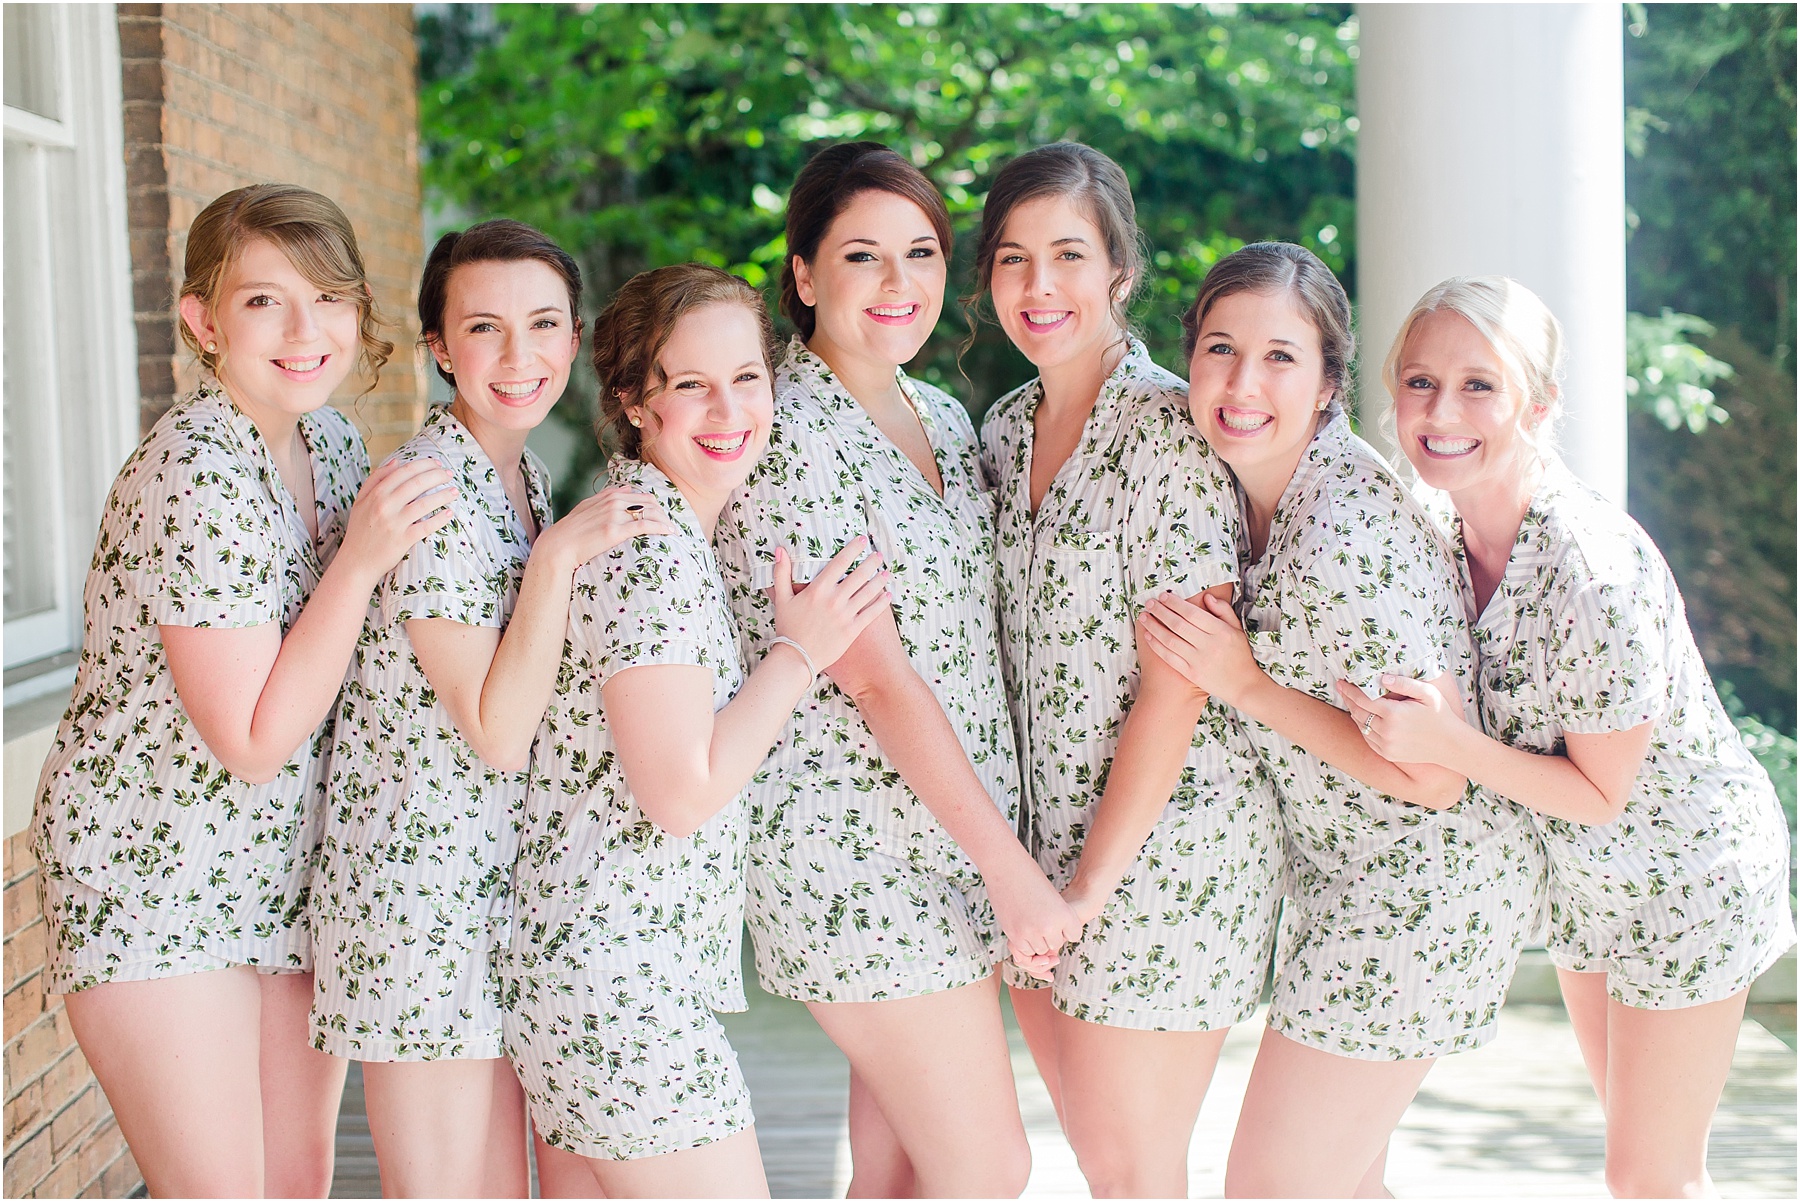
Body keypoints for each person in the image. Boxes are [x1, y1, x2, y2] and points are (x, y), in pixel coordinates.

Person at [29, 183, 457, 1196]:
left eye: (331, 298)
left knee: (294, 1178)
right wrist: (358, 562)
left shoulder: (331, 444)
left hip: (284, 873)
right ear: (203, 321)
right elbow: (253, 738)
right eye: (267, 301)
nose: (307, 331)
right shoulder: (198, 472)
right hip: (157, 875)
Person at [1337, 275, 1795, 1198]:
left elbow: (1601, 793)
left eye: (1479, 385)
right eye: (1419, 382)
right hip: (1588, 887)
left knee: (1651, 1178)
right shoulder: (1435, 527)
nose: (1441, 409)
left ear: (1538, 404)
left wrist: (1446, 742)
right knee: (1647, 1164)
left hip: (1688, 876)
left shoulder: (1593, 569)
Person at [1136, 242, 1545, 1197]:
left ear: (1329, 382)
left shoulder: (1342, 533)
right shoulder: (1270, 487)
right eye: (1221, 350)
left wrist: (1246, 685)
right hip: (1352, 885)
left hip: (1417, 894)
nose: (1243, 383)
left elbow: (1434, 776)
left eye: (1282, 357)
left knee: (1273, 1187)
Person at [712, 141, 1081, 1197]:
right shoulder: (780, 431)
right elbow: (875, 678)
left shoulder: (943, 417)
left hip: (944, 847)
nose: (898, 284)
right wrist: (1014, 875)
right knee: (987, 1166)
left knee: (899, 1168)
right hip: (854, 856)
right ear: (802, 275)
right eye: (863, 256)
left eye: (921, 253)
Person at [502, 262, 890, 1197]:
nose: (729, 410)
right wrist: (799, 656)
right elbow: (679, 794)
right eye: (691, 385)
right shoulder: (649, 556)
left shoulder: (653, 531)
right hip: (622, 990)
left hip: (595, 975)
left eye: (747, 378)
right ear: (636, 401)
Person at [308, 220, 668, 1196]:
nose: (520, 357)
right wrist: (556, 562)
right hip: (420, 898)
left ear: (575, 335)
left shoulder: (526, 477)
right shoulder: (427, 493)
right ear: (438, 347)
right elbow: (498, 731)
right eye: (485, 327)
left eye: (544, 324)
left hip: (506, 894)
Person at [973, 142, 1282, 1197]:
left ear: (1120, 269)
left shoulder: (1168, 429)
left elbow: (1181, 680)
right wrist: (1035, 883)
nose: (1038, 285)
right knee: (1111, 1166)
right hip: (1034, 861)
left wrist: (1090, 887)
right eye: (1013, 259)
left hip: (1160, 859)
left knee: (1132, 1169)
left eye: (1068, 253)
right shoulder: (1003, 431)